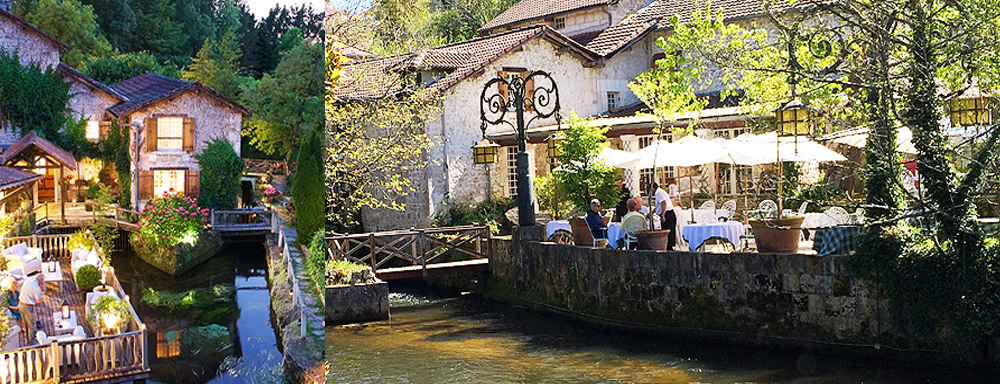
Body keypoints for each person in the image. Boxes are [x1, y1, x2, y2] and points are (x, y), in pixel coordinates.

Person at [18, 272, 44, 345]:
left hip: (21, 305)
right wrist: (42, 297)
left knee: (26, 324)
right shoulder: (36, 287)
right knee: (31, 324)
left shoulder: (29, 280)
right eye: (43, 281)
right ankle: (31, 342)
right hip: (28, 307)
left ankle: (28, 339)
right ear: (41, 280)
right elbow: (38, 300)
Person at [653, 181, 677, 249]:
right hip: (668, 212)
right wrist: (651, 212)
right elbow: (659, 206)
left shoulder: (658, 193)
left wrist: (663, 215)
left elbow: (664, 203)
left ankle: (669, 247)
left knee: (667, 232)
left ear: (653, 188)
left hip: (667, 213)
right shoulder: (660, 192)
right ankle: (669, 246)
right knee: (668, 232)